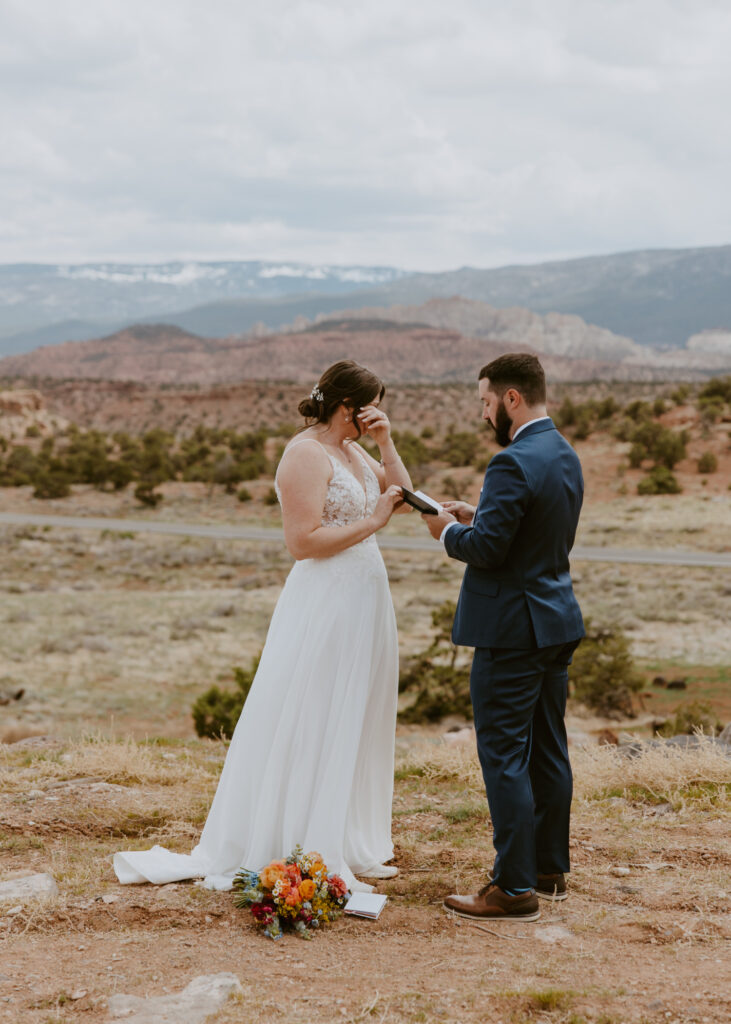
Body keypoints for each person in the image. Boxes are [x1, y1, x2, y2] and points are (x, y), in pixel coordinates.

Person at [114, 360, 411, 893]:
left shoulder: (353, 449)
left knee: (354, 711)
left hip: (367, 596)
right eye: (372, 406)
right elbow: (301, 542)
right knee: (315, 707)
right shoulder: (305, 453)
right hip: (326, 601)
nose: (375, 414)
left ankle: (342, 837)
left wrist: (387, 443)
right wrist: (372, 523)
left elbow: (401, 494)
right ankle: (295, 834)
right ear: (349, 406)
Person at [421, 353, 584, 922]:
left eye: (486, 401)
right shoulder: (563, 453)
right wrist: (481, 512)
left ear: (511, 399)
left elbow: (489, 551)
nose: (483, 411)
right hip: (556, 620)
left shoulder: (511, 462)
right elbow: (532, 533)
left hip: (512, 630)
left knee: (503, 755)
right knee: (547, 748)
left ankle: (513, 888)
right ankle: (546, 869)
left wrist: (447, 530)